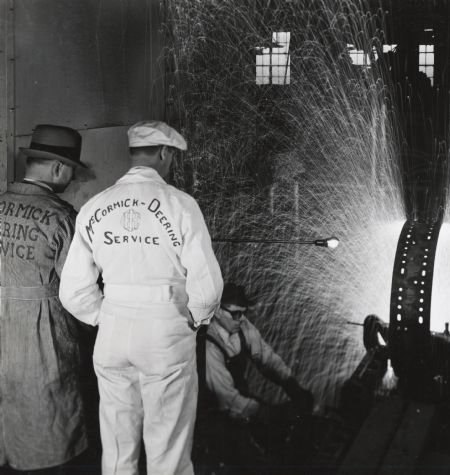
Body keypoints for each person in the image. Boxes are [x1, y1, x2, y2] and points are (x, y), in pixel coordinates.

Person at [59, 121, 223, 475]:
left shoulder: (95, 206)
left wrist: (107, 316)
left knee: (118, 449)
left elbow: (71, 290)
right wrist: (196, 318)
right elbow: (208, 286)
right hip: (165, 331)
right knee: (168, 449)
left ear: (133, 154)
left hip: (113, 332)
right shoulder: (181, 205)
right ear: (165, 154)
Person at [0, 124, 88, 472]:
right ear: (58, 168)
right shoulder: (62, 217)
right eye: (71, 171)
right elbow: (80, 291)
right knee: (48, 422)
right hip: (40, 338)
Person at [202, 282, 313, 467]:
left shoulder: (241, 325)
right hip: (215, 413)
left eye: (244, 313)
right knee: (257, 463)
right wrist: (263, 412)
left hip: (241, 400)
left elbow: (266, 358)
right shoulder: (209, 346)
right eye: (236, 313)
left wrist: (291, 385)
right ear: (218, 311)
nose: (241, 318)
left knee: (280, 435)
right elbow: (226, 398)